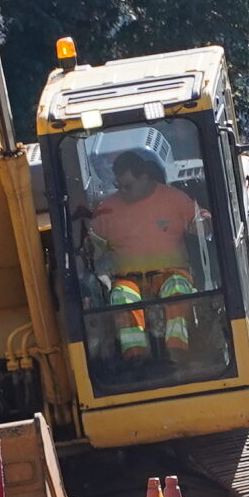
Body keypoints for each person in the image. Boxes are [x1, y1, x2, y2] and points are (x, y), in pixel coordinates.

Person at [86, 149, 206, 362]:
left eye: (128, 185)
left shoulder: (174, 199)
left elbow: (200, 218)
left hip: (170, 275)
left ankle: (177, 351)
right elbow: (91, 244)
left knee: (178, 289)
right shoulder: (108, 210)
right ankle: (136, 357)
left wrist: (203, 223)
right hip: (129, 280)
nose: (123, 191)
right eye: (119, 186)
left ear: (145, 177)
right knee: (121, 297)